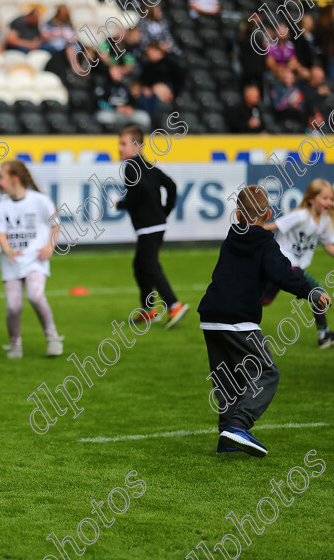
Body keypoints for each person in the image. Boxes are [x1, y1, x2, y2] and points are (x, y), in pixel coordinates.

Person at [198, 184, 331, 457]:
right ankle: (239, 425)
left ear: (237, 215)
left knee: (227, 381)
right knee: (267, 373)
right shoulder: (265, 243)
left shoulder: (231, 237)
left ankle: (226, 439)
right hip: (239, 321)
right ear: (268, 213)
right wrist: (311, 290)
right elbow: (282, 274)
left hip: (211, 319)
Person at [115, 126, 189, 328]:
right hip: (155, 225)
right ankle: (149, 310)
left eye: (124, 144)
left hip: (148, 227)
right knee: (140, 267)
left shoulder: (131, 166)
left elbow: (140, 191)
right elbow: (171, 185)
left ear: (137, 147)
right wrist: (165, 210)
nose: (120, 148)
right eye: (119, 144)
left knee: (149, 266)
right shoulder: (149, 167)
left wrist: (122, 204)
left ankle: (174, 304)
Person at [0, 161, 64, 358]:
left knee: (35, 295)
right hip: (12, 263)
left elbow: (55, 226)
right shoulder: (2, 207)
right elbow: (1, 234)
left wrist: (50, 247)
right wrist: (7, 250)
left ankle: (52, 338)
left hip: (36, 260)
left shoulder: (40, 201)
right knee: (13, 306)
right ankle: (15, 344)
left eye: (2, 177)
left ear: (14, 179)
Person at [262, 179, 334, 348]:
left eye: (331, 198)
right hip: (284, 263)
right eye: (325, 198)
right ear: (311, 199)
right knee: (318, 293)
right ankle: (324, 335)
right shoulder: (300, 216)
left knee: (264, 300)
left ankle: (235, 318)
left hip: (293, 266)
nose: (329, 202)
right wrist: (248, 232)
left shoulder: (324, 220)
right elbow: (273, 226)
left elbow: (328, 244)